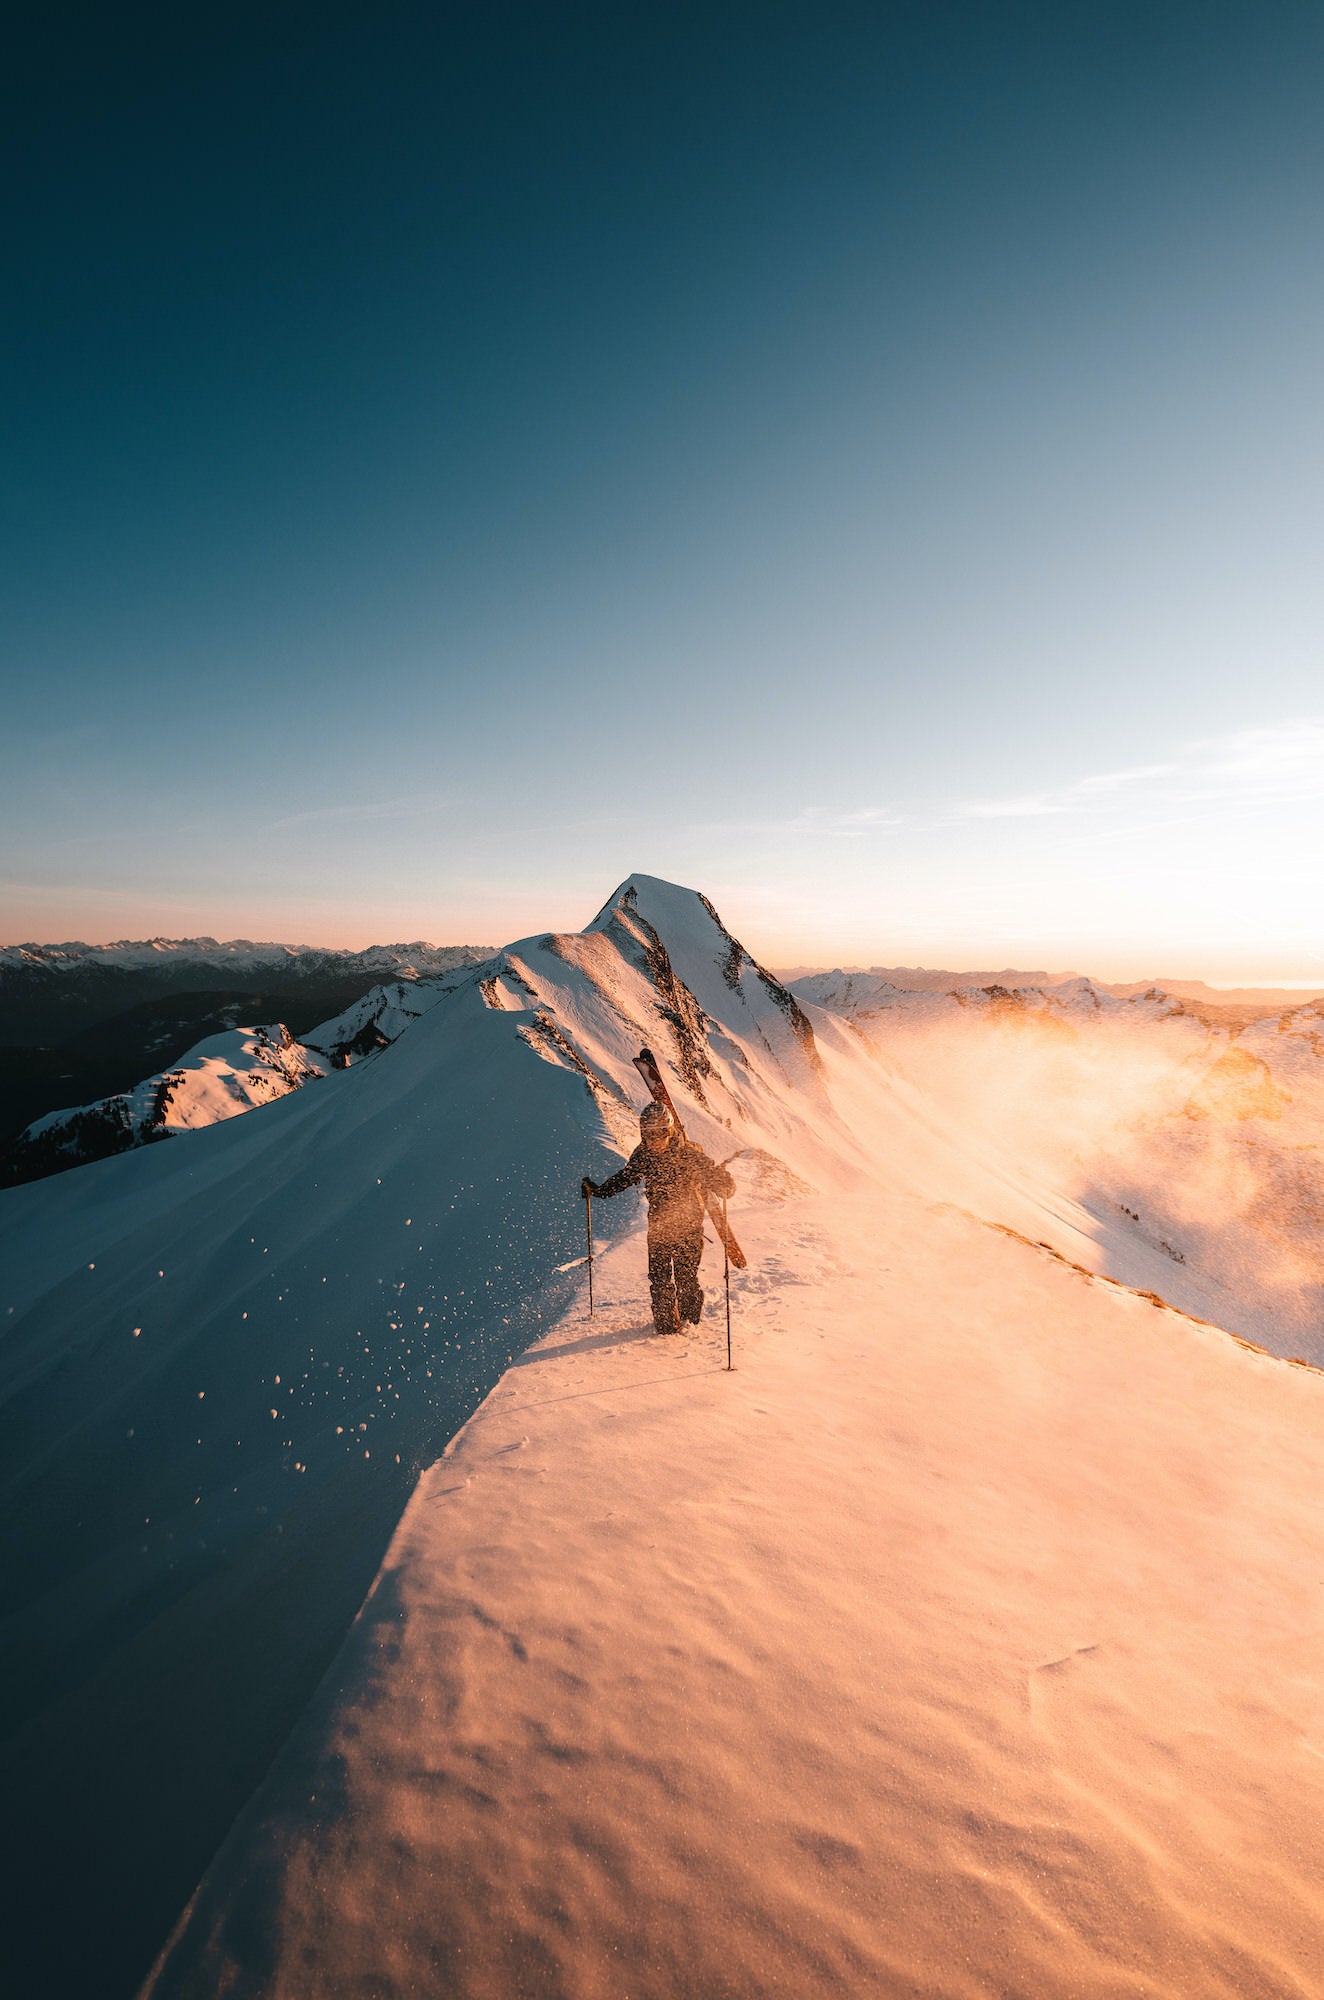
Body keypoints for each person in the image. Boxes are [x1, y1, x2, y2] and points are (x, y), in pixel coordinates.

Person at [583, 1102, 736, 1336]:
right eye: (649, 1135)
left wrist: (726, 1184)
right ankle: (666, 1330)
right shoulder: (643, 1155)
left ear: (670, 1130)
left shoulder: (688, 1155)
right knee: (660, 1280)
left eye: (660, 1133)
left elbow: (717, 1180)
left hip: (689, 1227)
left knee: (686, 1279)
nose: (655, 1141)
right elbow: (625, 1177)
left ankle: (691, 1325)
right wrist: (599, 1190)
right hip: (659, 1227)